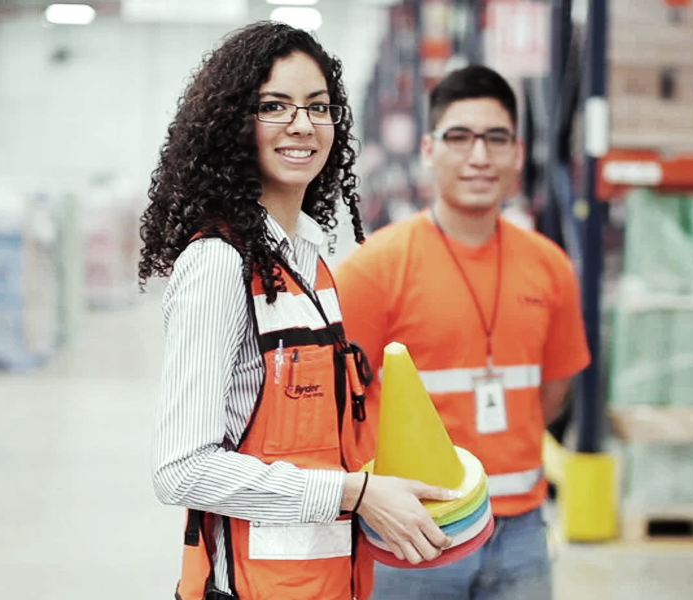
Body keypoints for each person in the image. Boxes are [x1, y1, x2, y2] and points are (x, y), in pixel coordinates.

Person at [139, 21, 463, 600]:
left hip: (330, 583)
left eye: (318, 108)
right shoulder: (219, 265)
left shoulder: (309, 264)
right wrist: (353, 494)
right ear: (235, 125)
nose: (301, 126)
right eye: (274, 106)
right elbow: (181, 469)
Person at [333, 65, 591, 600]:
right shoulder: (374, 269)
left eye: (496, 139)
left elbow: (555, 389)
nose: (479, 156)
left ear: (518, 154)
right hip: (415, 532)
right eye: (460, 137)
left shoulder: (551, 267)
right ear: (428, 149)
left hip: (520, 531)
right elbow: (337, 403)